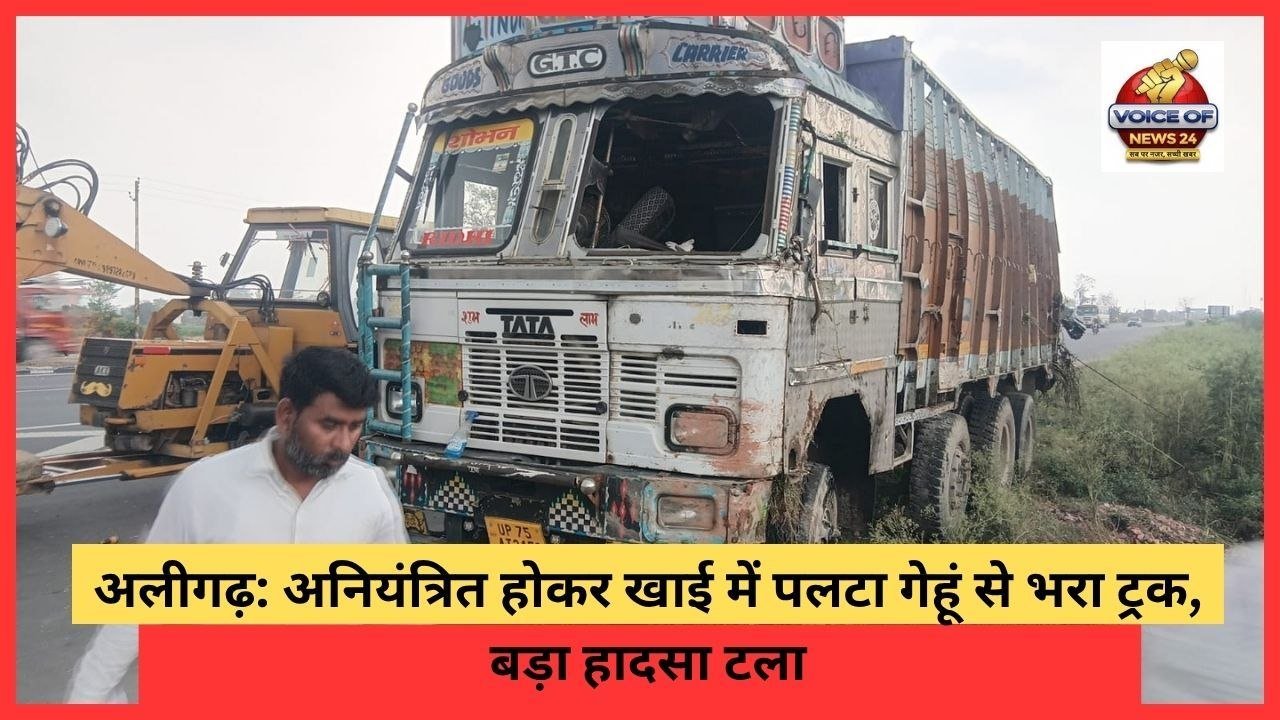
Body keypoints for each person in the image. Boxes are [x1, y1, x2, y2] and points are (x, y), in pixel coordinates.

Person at [67, 346, 407, 703]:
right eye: (329, 425)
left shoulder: (369, 490)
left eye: (354, 427)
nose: (343, 444)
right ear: (286, 415)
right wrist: (86, 698)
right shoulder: (205, 486)